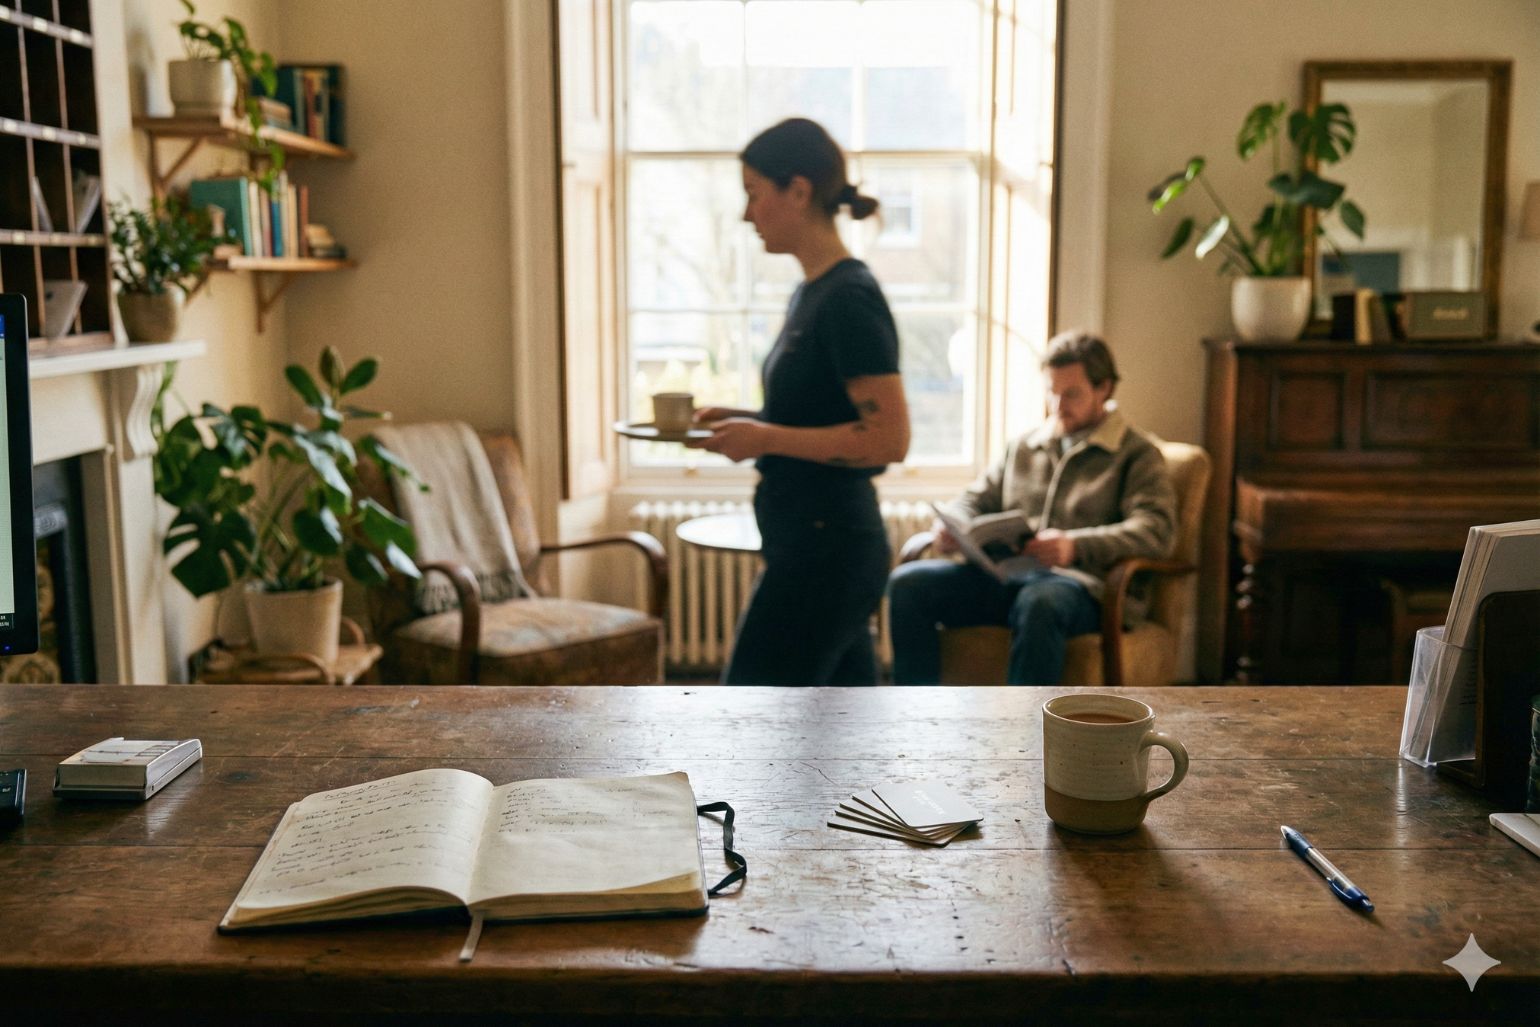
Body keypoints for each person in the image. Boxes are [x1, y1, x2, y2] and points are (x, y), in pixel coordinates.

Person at [688, 117, 910, 686]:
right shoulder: (813, 292)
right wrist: (746, 419)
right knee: (846, 738)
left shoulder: (848, 299)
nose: (746, 214)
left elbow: (888, 438)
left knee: (747, 716)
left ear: (800, 191)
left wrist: (764, 439)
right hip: (811, 544)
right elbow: (823, 417)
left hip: (827, 552)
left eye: (754, 193)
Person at [886, 331, 1176, 685]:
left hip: (1083, 589)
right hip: (1006, 579)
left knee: (1040, 602)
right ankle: (918, 718)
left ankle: (1022, 733)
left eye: (1071, 394)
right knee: (908, 584)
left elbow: (1156, 530)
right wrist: (954, 526)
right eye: (1051, 392)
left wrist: (1074, 546)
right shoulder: (1024, 447)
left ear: (1104, 389)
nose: (1057, 406)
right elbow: (973, 499)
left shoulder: (1137, 453)